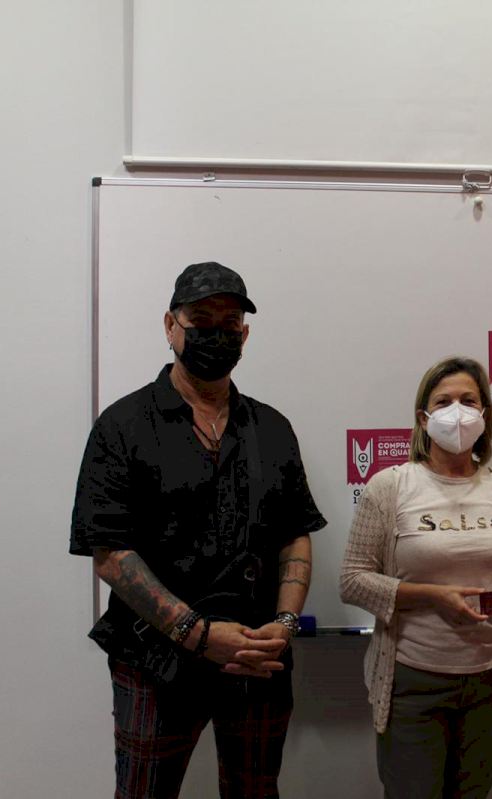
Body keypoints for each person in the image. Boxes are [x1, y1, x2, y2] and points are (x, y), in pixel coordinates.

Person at [70, 261, 327, 799]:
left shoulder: (272, 428)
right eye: (201, 320)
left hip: (257, 655)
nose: (217, 333)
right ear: (171, 326)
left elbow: (294, 533)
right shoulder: (122, 426)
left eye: (230, 323)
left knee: (255, 791)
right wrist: (199, 635)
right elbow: (111, 553)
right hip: (154, 661)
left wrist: (285, 622)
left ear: (245, 336)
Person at [339, 356, 492, 799]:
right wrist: (431, 596)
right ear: (423, 418)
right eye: (443, 402)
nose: (457, 411)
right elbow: (353, 580)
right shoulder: (390, 487)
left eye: (469, 400)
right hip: (413, 680)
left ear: (484, 414)